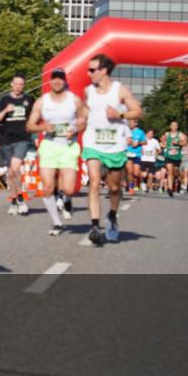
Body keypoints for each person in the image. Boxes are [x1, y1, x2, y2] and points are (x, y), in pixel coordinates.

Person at [79, 53, 142, 245]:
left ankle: (113, 216)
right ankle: (95, 227)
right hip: (93, 143)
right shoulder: (88, 91)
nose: (88, 73)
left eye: (92, 70)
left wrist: (119, 113)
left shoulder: (119, 90)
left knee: (115, 188)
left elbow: (138, 111)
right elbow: (84, 112)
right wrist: (79, 121)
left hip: (115, 145)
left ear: (103, 71)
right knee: (95, 183)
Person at [26, 68, 84, 236]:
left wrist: (75, 129)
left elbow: (83, 121)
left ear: (65, 81)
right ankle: (56, 223)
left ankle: (67, 200)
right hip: (49, 146)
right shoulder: (42, 102)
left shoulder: (74, 100)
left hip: (68, 146)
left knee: (69, 188)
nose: (57, 81)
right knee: (47, 188)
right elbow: (29, 125)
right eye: (54, 78)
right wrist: (43, 126)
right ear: (50, 81)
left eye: (60, 79)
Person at [0, 74, 35, 216]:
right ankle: (14, 201)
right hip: (6, 140)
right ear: (11, 84)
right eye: (16, 84)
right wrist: (5, 110)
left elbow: (36, 117)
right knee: (11, 173)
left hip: (22, 139)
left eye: (21, 84)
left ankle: (21, 199)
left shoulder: (28, 100)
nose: (18, 87)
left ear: (24, 85)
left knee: (16, 168)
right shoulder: (4, 100)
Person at [160, 121, 187, 198]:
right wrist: (164, 144)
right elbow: (162, 140)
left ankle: (173, 184)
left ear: (177, 127)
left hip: (177, 156)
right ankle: (170, 189)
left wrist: (178, 143)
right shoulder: (167, 134)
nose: (174, 127)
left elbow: (185, 143)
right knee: (170, 172)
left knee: (175, 173)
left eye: (175, 125)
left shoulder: (180, 134)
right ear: (170, 126)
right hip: (168, 156)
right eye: (172, 125)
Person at [125, 119, 146, 194]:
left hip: (137, 154)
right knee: (130, 171)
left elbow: (145, 142)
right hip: (127, 153)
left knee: (136, 173)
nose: (130, 124)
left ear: (136, 123)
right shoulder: (126, 131)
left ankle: (136, 182)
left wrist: (138, 143)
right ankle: (131, 187)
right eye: (129, 122)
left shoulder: (140, 132)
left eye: (131, 122)